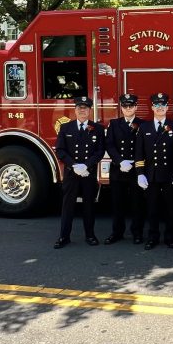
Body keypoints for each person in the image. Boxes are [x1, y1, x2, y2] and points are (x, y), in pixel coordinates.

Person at [54, 96, 106, 248]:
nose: (82, 110)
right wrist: (74, 165)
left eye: (85, 108)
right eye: (79, 108)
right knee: (67, 205)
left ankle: (90, 235)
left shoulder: (97, 129)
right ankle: (64, 237)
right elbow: (60, 150)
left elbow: (100, 151)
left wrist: (87, 166)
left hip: (88, 174)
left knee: (89, 205)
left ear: (90, 111)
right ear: (75, 110)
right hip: (72, 173)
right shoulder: (66, 128)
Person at [135, 93, 173, 250]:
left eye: (163, 105)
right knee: (152, 208)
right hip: (151, 175)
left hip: (170, 174)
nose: (160, 107)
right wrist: (140, 173)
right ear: (152, 107)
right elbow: (139, 152)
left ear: (167, 107)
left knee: (171, 208)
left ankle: (170, 237)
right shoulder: (144, 127)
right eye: (157, 105)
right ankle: (153, 237)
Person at [104, 93, 144, 245]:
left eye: (131, 106)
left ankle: (137, 233)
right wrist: (120, 161)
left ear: (136, 107)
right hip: (118, 169)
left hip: (136, 170)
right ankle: (117, 232)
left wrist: (135, 163)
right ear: (121, 108)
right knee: (117, 204)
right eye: (125, 106)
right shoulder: (114, 124)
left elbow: (144, 147)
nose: (128, 108)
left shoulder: (142, 124)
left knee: (137, 203)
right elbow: (110, 144)